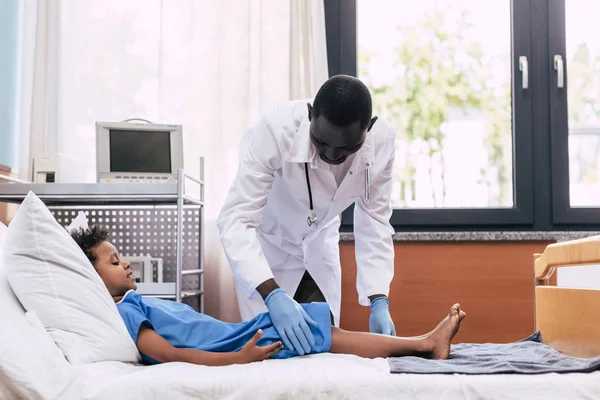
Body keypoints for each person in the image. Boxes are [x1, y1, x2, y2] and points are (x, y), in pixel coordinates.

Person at [70, 226, 466, 366]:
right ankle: (423, 345)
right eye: (114, 261)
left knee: (326, 333)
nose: (125, 264)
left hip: (240, 334)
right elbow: (167, 354)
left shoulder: (136, 304)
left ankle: (419, 344)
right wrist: (237, 359)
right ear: (90, 276)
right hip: (239, 342)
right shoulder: (126, 312)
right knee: (327, 334)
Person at [217, 75, 398, 356]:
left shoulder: (383, 144)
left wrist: (379, 300)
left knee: (322, 346)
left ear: (369, 128)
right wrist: (272, 294)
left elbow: (374, 221)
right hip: (269, 252)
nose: (332, 155)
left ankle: (422, 344)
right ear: (310, 114)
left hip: (319, 246)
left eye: (347, 149)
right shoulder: (275, 130)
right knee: (271, 351)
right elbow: (235, 219)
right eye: (321, 142)